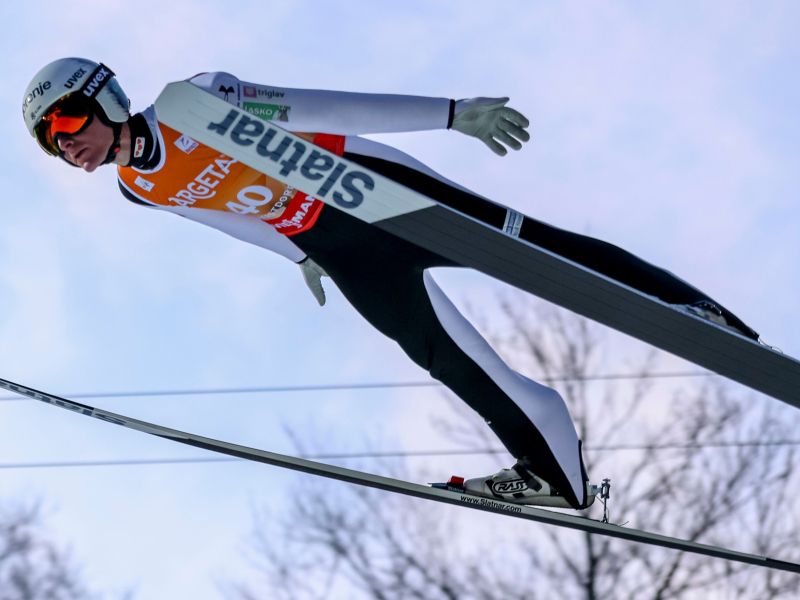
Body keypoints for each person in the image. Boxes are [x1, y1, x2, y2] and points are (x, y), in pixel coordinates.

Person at [22, 58, 759, 511]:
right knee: (441, 356)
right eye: (54, 143)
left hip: (366, 187)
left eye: (69, 119)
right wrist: (298, 257)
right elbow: (219, 216)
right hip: (330, 242)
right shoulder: (137, 190)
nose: (69, 143)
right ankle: (552, 469)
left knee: (537, 252)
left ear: (105, 95)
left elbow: (322, 108)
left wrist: (449, 116)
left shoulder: (196, 100)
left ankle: (689, 309)